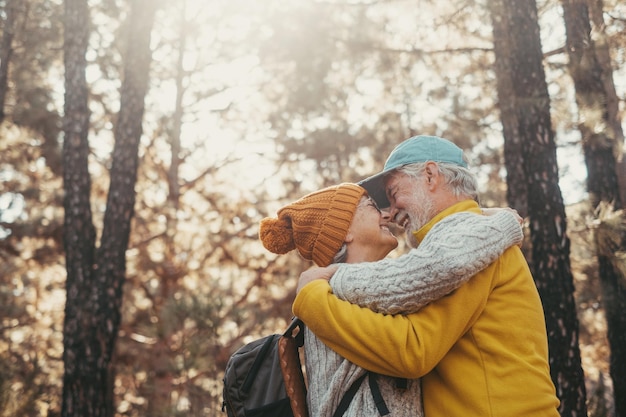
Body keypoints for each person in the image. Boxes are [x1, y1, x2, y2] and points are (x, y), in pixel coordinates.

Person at [292, 136, 561, 417]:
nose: (392, 213)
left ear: (431, 176)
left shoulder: (467, 237)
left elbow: (413, 348)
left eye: (394, 193)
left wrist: (313, 296)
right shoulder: (470, 235)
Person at [259, 182, 525, 417]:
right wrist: (504, 223)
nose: (387, 214)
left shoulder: (358, 287)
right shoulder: (346, 290)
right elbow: (435, 268)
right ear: (345, 231)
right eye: (372, 206)